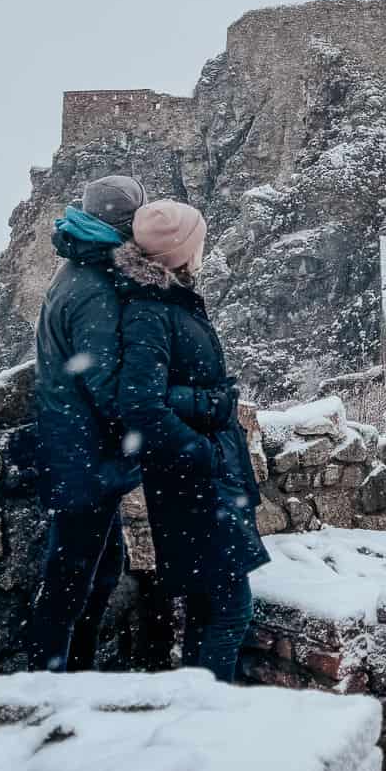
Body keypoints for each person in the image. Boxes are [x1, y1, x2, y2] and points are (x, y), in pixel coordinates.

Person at [116, 200, 269, 682]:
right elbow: (140, 403)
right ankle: (210, 725)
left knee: (209, 608)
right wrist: (203, 437)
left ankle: (197, 720)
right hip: (196, 484)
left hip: (200, 482)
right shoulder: (151, 309)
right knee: (230, 611)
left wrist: (207, 402)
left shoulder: (168, 301)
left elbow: (162, 391)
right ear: (180, 252)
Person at [27, 175, 148, 674]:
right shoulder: (94, 286)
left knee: (99, 569)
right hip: (83, 456)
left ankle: (71, 675)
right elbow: (104, 381)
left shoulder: (79, 269)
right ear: (123, 224)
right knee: (70, 579)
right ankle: (51, 688)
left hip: (76, 447)